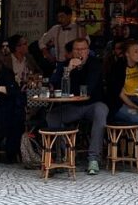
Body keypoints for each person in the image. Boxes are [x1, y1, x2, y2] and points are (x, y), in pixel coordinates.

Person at [46, 37, 108, 175]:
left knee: (101, 111)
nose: (80, 52)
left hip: (92, 104)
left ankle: (93, 158)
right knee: (52, 117)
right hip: (72, 106)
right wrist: (68, 70)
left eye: (83, 49)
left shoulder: (94, 64)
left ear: (88, 51)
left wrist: (79, 69)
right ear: (72, 51)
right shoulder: (65, 65)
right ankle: (66, 153)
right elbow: (54, 85)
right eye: (77, 49)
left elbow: (88, 88)